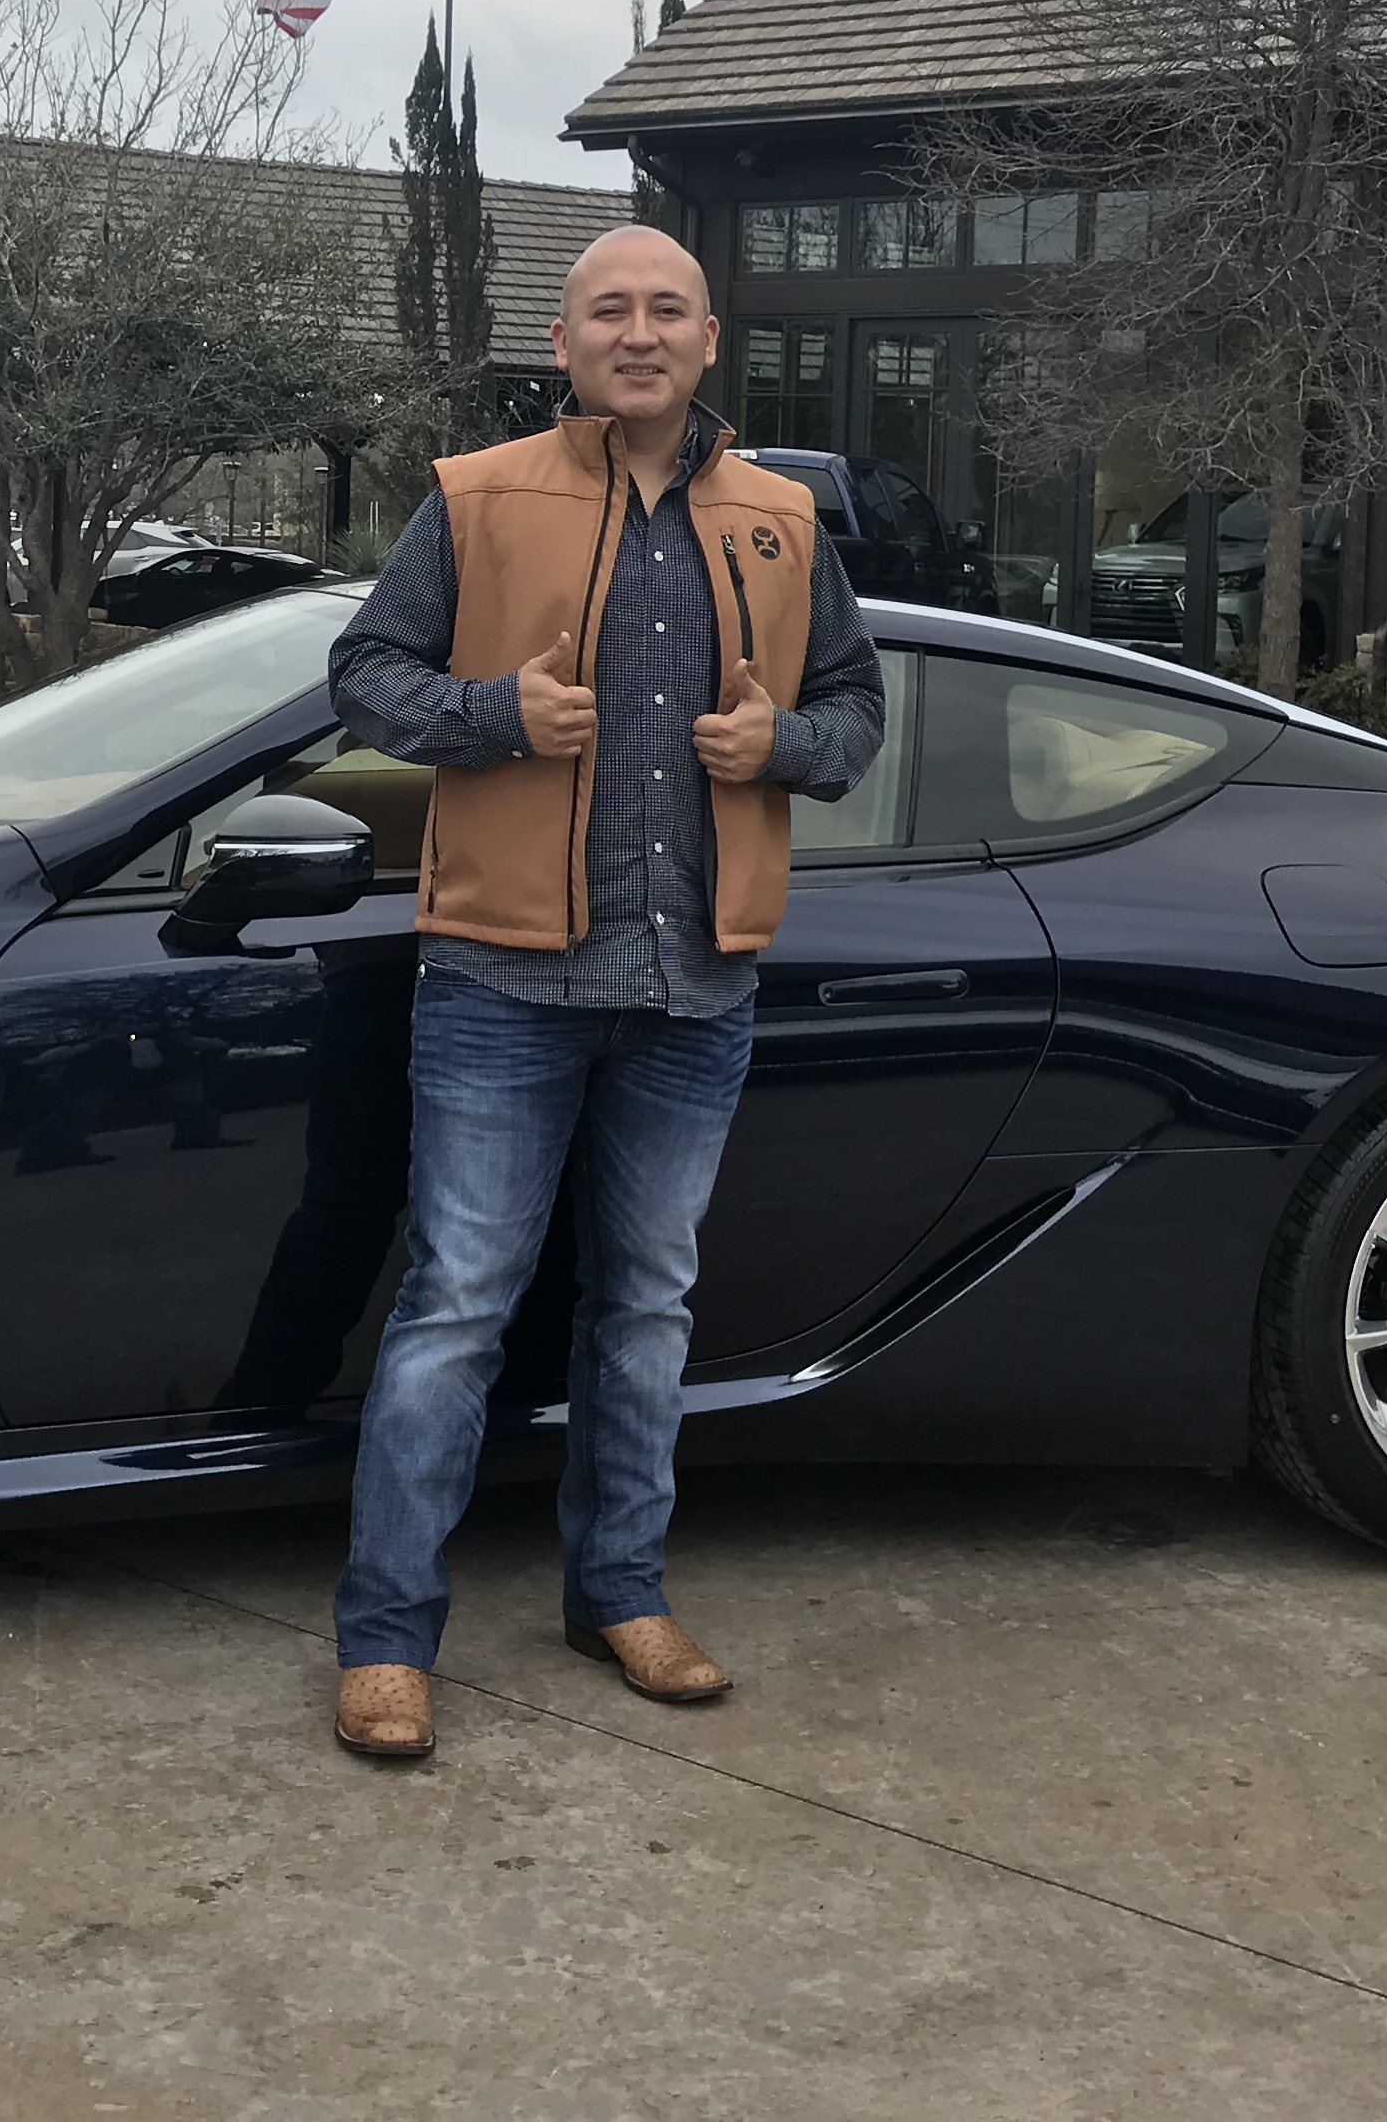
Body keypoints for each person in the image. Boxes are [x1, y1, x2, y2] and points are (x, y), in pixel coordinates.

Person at [322, 224, 886, 1760]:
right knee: (456, 1310)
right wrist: (495, 713)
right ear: (564, 344)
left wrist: (782, 750)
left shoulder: (780, 519)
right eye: (607, 311)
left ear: (710, 343)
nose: (637, 333)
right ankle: (385, 1639)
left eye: (666, 311)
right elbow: (363, 676)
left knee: (646, 1309)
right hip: (501, 979)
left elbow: (857, 713)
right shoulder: (475, 498)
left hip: (697, 985)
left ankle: (619, 1592)